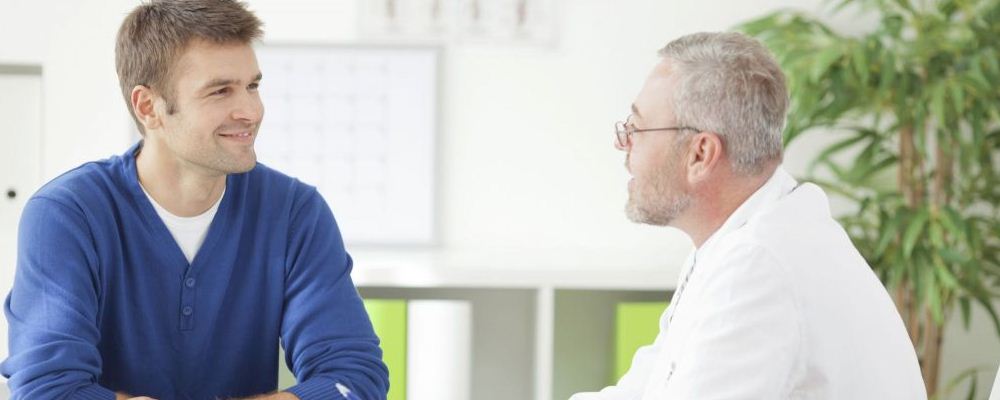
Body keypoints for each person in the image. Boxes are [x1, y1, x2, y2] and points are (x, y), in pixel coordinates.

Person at [1, 1, 388, 399]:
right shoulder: (68, 215)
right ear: (148, 107)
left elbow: (354, 377)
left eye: (252, 86)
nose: (251, 111)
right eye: (220, 91)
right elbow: (49, 390)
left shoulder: (294, 213)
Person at [571, 32, 926, 399]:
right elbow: (649, 386)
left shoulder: (758, 266)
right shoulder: (742, 238)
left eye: (637, 128)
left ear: (700, 154)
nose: (622, 142)